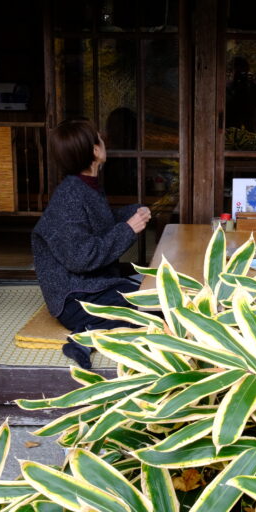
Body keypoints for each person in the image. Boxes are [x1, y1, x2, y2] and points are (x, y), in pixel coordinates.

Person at [32, 118, 151, 368]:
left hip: (92, 288)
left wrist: (132, 213)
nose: (104, 142)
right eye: (100, 139)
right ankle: (84, 336)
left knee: (154, 295)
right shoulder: (70, 196)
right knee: (153, 309)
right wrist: (128, 229)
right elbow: (81, 257)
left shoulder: (85, 187)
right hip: (74, 298)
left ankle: (89, 333)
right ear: (95, 150)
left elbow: (100, 223)